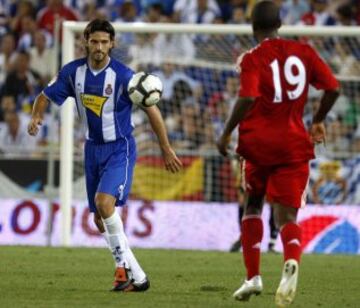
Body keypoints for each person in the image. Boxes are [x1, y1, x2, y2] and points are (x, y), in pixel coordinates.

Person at [28, 19, 182, 292]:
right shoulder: (72, 72)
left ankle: (121, 269)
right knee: (100, 218)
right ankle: (139, 277)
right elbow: (45, 96)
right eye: (94, 41)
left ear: (112, 44)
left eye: (104, 42)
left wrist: (166, 148)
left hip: (119, 148)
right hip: (92, 149)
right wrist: (37, 116)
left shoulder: (124, 76)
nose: (99, 47)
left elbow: (152, 110)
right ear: (85, 41)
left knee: (103, 202)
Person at [217, 1, 340, 306]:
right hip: (293, 145)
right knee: (287, 216)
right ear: (280, 24)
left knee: (253, 206)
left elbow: (246, 96)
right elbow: (334, 88)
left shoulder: (252, 58)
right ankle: (291, 259)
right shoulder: (305, 52)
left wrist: (226, 131)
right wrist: (319, 119)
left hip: (257, 145)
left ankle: (253, 277)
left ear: (252, 27)